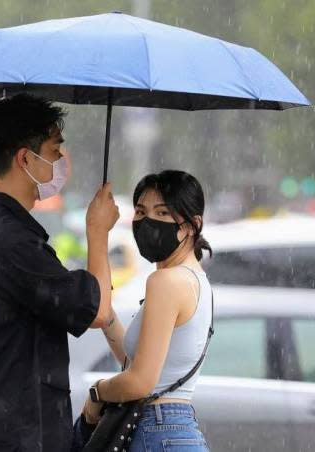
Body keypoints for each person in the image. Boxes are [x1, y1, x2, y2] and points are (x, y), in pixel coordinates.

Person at [0, 94, 120, 452]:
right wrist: (98, 231)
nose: (60, 159)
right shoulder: (11, 242)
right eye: (55, 148)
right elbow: (99, 311)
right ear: (25, 158)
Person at [79, 170, 214, 452]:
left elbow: (140, 382)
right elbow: (135, 361)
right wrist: (107, 315)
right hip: (173, 431)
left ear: (191, 225)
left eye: (162, 213)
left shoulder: (166, 281)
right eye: (140, 211)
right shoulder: (194, 279)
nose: (147, 221)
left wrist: (97, 393)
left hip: (157, 430)